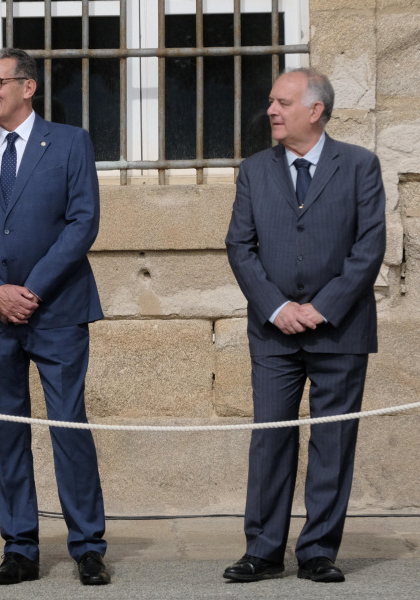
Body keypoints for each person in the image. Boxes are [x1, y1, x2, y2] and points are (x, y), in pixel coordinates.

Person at [0, 48, 110, 586]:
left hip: (56, 311)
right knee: (7, 433)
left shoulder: (68, 142)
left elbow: (82, 222)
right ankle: (19, 547)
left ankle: (87, 545)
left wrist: (31, 290)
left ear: (28, 87)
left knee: (68, 427)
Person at [224, 68, 386, 583]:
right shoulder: (254, 170)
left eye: (282, 102)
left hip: (340, 328)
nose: (270, 110)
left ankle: (318, 550)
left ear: (315, 111)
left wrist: (322, 307)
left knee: (333, 441)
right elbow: (240, 246)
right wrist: (277, 307)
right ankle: (263, 550)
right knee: (271, 437)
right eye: (271, 100)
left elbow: (369, 248)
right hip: (274, 331)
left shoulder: (360, 166)